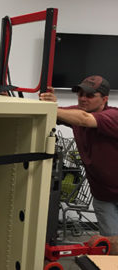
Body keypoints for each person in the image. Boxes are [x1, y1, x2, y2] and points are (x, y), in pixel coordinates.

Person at [40, 75, 118, 245]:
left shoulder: (113, 116)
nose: (83, 98)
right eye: (80, 94)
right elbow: (60, 115)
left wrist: (53, 108)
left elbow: (84, 119)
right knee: (109, 246)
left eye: (89, 96)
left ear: (104, 99)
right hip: (103, 195)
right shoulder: (77, 112)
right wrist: (51, 105)